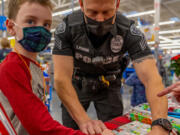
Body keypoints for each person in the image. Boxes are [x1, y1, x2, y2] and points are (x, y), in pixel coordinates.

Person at [53, 0, 170, 134]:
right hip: (76, 86)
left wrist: (160, 124)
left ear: (117, 4)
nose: (100, 19)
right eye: (93, 12)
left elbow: (152, 78)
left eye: (107, 12)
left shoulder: (129, 31)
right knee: (71, 129)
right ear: (81, 4)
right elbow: (61, 79)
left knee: (114, 128)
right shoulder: (67, 28)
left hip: (109, 85)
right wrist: (84, 121)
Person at [0, 0, 113, 135]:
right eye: (30, 21)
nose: (41, 29)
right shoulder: (12, 68)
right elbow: (41, 127)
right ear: (11, 26)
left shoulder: (33, 65)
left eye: (46, 24)